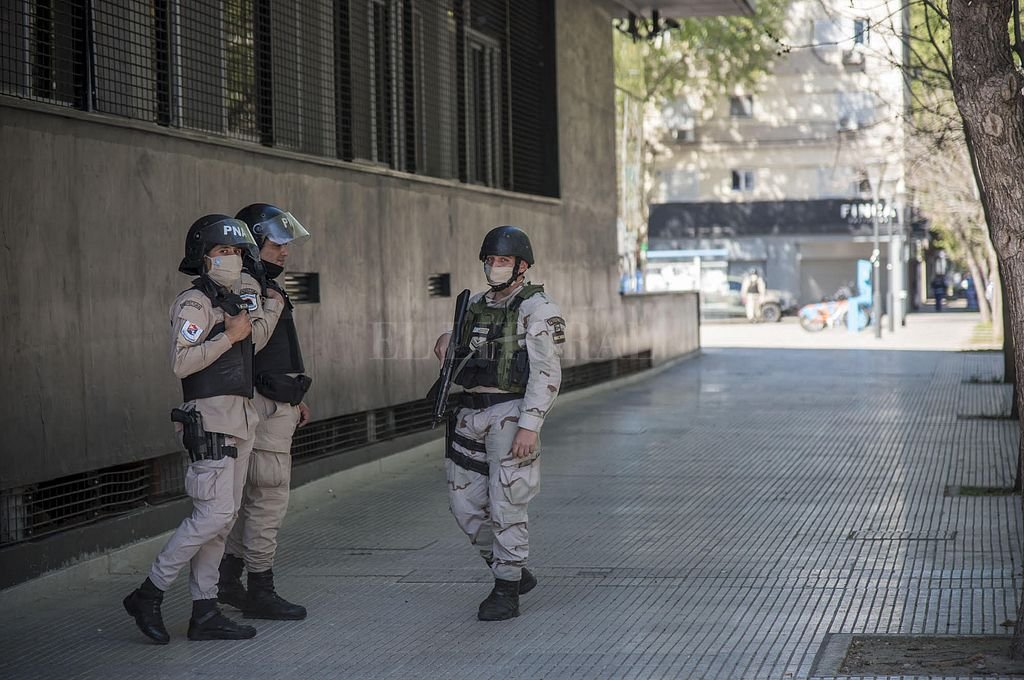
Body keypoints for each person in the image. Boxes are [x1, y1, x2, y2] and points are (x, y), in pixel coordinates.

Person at [123, 214, 283, 643]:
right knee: (211, 515)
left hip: (240, 417)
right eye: (221, 252)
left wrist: (269, 307)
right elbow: (181, 362)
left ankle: (204, 610)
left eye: (234, 252)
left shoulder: (232, 300)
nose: (229, 259)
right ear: (202, 257)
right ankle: (149, 592)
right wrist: (228, 338)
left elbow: (253, 341)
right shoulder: (194, 302)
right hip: (211, 419)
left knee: (223, 521)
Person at [432, 225, 565, 621]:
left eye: (503, 261)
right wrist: (446, 338)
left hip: (511, 414)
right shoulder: (474, 303)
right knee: (464, 504)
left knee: (507, 503)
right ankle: (512, 567)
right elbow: (464, 344)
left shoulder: (538, 309)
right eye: (490, 260)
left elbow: (547, 372)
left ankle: (506, 587)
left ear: (522, 266)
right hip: (470, 414)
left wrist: (530, 424)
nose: (495, 267)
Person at [217, 204, 312, 620]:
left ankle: (228, 578)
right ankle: (259, 589)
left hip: (275, 400)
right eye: (277, 243)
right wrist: (270, 304)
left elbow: (277, 350)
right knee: (267, 497)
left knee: (250, 497)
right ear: (254, 243)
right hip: (262, 404)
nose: (285, 251)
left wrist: (294, 397)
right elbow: (250, 342)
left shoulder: (262, 282)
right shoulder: (252, 286)